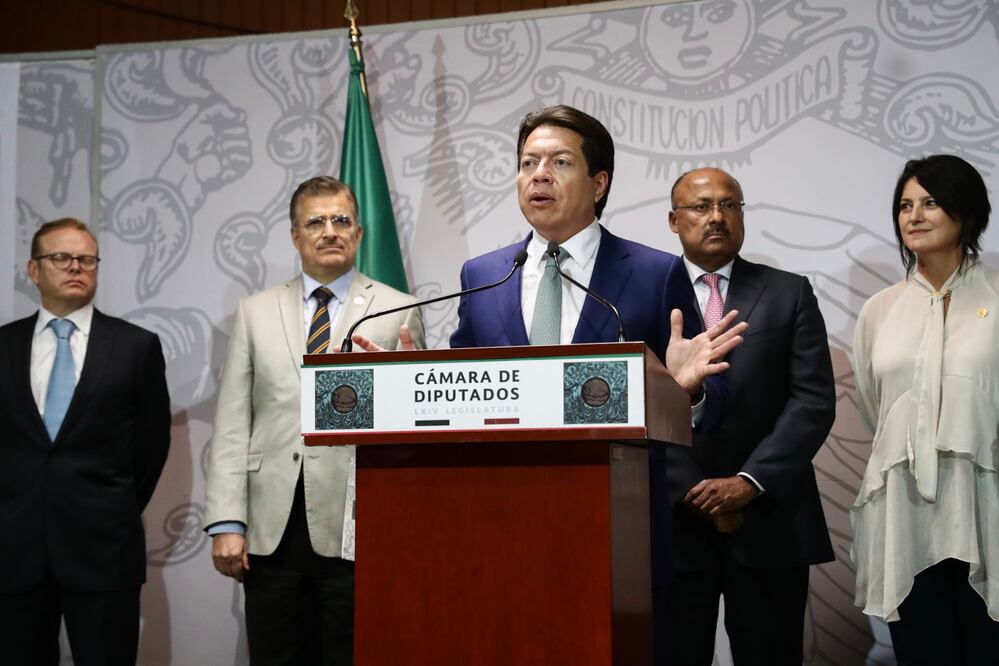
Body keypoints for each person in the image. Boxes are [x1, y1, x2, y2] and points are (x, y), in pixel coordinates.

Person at [204, 176, 426, 665]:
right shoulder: (254, 312)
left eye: (341, 220)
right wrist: (226, 521)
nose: (330, 230)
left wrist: (408, 381)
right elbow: (233, 423)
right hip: (270, 529)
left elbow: (419, 426)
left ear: (360, 233)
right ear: (295, 235)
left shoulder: (400, 309)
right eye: (316, 221)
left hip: (358, 524)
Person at [663, 167, 836, 666]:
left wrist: (748, 482)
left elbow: (813, 401)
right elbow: (632, 406)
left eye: (730, 205)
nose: (716, 217)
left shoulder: (789, 292)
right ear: (674, 221)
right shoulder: (647, 293)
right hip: (674, 522)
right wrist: (697, 492)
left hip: (770, 521)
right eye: (701, 207)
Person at [0, 218, 171, 666]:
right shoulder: (2, 346)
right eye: (61, 258)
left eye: (86, 259)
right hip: (13, 553)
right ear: (34, 270)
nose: (75, 267)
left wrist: (108, 507)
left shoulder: (137, 347)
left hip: (104, 552)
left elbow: (152, 449)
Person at [851, 154, 999, 665]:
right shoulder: (880, 310)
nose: (914, 215)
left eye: (931, 202)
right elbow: (878, 411)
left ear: (967, 211)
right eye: (905, 205)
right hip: (906, 515)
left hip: (988, 509)